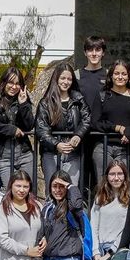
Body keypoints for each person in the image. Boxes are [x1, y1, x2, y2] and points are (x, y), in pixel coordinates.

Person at [35, 61, 89, 194]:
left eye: (69, 79)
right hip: (51, 154)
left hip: (73, 153)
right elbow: (41, 128)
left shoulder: (78, 99)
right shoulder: (46, 102)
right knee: (52, 191)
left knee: (71, 191)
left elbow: (87, 119)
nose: (66, 81)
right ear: (56, 79)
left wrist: (78, 135)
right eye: (63, 78)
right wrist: (56, 144)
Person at [0, 66, 37, 186]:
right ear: (4, 82)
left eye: (18, 84)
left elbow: (29, 126)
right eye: (11, 82)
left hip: (24, 153)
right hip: (3, 154)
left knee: (27, 188)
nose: (14, 87)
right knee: (10, 190)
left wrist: (23, 105)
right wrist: (11, 129)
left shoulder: (23, 99)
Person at [95, 60, 130, 183]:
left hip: (126, 149)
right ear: (111, 75)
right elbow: (95, 122)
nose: (120, 77)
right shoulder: (102, 95)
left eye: (124, 74)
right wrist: (117, 128)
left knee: (124, 186)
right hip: (104, 147)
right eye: (116, 73)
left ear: (129, 76)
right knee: (104, 186)